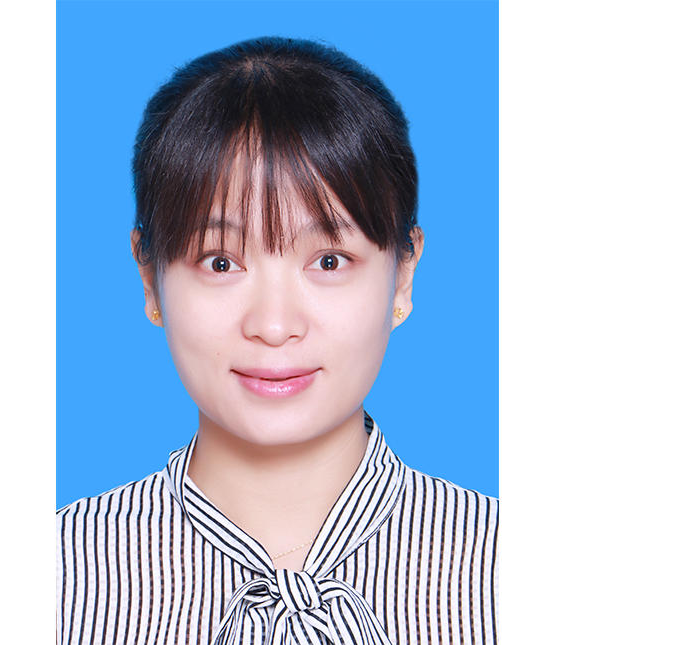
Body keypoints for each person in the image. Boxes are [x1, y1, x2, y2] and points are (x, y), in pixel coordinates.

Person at [57, 36, 498, 645]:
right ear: (149, 276)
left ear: (403, 273)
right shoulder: (60, 574)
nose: (272, 325)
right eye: (220, 262)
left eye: (328, 260)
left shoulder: (503, 568)